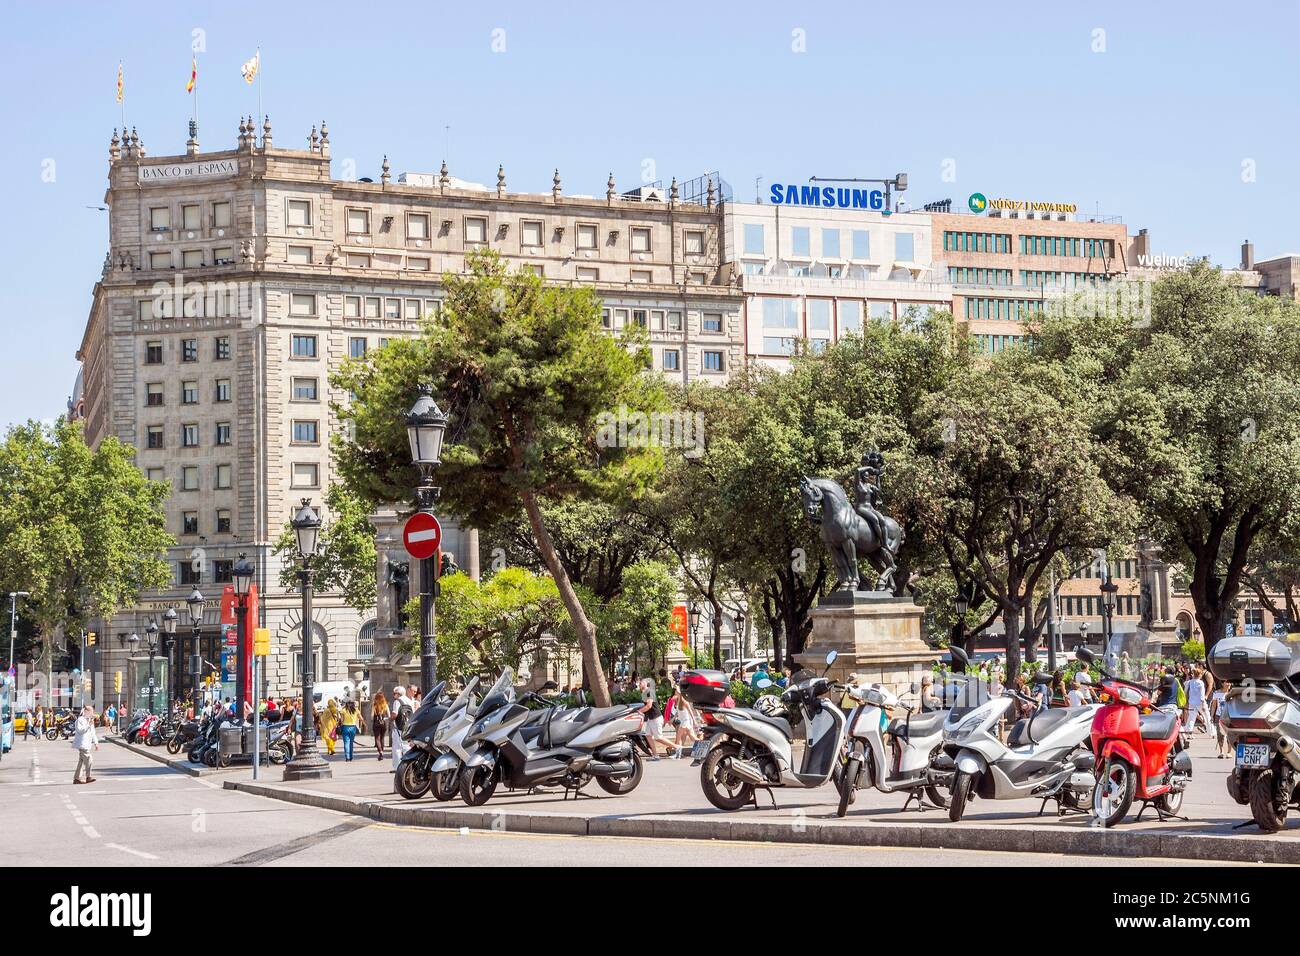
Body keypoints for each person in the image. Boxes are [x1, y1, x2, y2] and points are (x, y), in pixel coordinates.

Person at [667, 685, 698, 759]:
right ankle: (678, 754)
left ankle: (677, 755)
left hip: (685, 722)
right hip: (683, 722)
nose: (675, 692)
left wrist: (694, 722)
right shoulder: (678, 701)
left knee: (679, 738)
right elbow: (678, 712)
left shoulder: (684, 701)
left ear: (679, 693)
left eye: (676, 691)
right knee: (692, 738)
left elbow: (691, 712)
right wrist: (672, 719)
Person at [72, 704, 99, 784]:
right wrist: (88, 725)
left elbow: (93, 732)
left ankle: (77, 778)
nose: (92, 714)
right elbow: (80, 730)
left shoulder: (90, 720)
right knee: (89, 759)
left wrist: (96, 742)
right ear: (86, 711)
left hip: (87, 744)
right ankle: (88, 776)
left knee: (81, 761)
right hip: (82, 743)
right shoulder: (80, 720)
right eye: (91, 712)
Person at [389, 686, 413, 772]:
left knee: (397, 748)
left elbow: (394, 714)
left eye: (394, 693)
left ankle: (398, 767)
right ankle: (409, 764)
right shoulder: (409, 700)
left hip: (398, 727)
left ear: (398, 694)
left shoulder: (397, 701)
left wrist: (389, 719)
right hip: (408, 726)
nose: (393, 695)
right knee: (407, 745)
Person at [639, 678, 663, 760]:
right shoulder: (644, 693)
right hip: (651, 718)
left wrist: (639, 711)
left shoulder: (649, 692)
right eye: (639, 683)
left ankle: (677, 747)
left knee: (659, 738)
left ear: (646, 684)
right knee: (648, 735)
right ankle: (655, 755)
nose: (639, 684)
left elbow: (649, 706)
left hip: (656, 717)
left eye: (641, 683)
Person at [1211, 681, 1231, 757]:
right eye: (1227, 682)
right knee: (1220, 734)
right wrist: (1212, 716)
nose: (1228, 684)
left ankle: (1229, 752)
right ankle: (1221, 751)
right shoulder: (1217, 693)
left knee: (1229, 734)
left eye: (1229, 683)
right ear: (1222, 684)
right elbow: (1214, 705)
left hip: (1229, 716)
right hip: (1219, 715)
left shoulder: (1231, 693)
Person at [1184, 668, 1207, 734]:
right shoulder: (1201, 683)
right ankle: (1210, 730)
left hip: (1191, 702)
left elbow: (1185, 692)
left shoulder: (1189, 682)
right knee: (1206, 716)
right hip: (1199, 702)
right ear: (1199, 675)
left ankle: (1189, 731)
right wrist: (1203, 703)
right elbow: (1202, 695)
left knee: (1191, 717)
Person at [371, 691, 390, 760]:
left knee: (377, 738)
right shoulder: (385, 705)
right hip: (384, 723)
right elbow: (389, 715)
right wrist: (385, 718)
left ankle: (380, 752)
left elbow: (372, 716)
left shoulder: (374, 705)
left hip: (376, 723)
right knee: (382, 738)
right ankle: (382, 751)